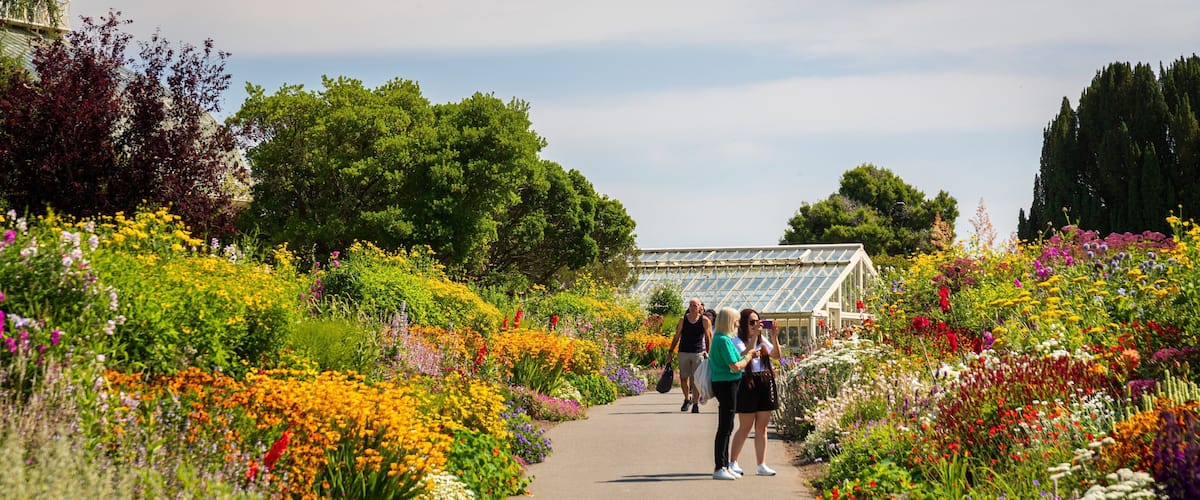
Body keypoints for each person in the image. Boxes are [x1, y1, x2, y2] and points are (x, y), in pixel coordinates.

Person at [728, 308, 782, 477]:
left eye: (758, 322)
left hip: (764, 381)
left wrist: (774, 336)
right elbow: (743, 355)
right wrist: (755, 339)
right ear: (743, 324)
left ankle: (761, 464)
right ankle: (732, 462)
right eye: (751, 322)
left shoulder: (762, 339)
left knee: (762, 427)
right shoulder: (737, 341)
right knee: (745, 426)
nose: (755, 325)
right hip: (747, 382)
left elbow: (776, 355)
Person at [709, 307, 760, 480]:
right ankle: (719, 467)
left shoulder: (723, 338)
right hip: (726, 383)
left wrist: (749, 351)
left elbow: (738, 356)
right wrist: (749, 357)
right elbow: (736, 366)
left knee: (728, 425)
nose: (738, 324)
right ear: (729, 321)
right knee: (725, 426)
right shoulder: (723, 340)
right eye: (736, 321)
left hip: (726, 383)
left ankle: (724, 465)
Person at [669, 298, 712, 413]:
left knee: (696, 379)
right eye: (691, 305)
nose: (693, 308)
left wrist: (708, 352)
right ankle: (687, 398)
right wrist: (671, 351)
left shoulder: (704, 320)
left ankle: (695, 403)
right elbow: (677, 335)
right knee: (684, 378)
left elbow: (708, 337)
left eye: (695, 305)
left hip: (698, 352)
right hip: (683, 351)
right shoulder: (683, 319)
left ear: (700, 307)